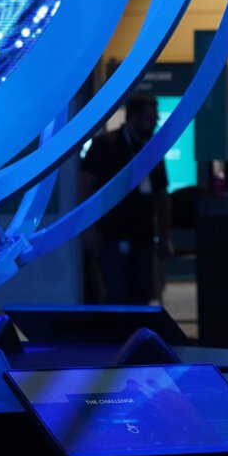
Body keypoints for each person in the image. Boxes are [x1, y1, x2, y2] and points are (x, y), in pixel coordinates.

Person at [81, 92, 173, 304]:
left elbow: (161, 194)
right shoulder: (105, 145)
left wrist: (164, 235)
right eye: (149, 119)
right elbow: (84, 185)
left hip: (143, 235)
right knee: (115, 292)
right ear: (133, 117)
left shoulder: (152, 149)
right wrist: (88, 228)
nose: (153, 124)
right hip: (112, 234)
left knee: (142, 293)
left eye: (154, 119)